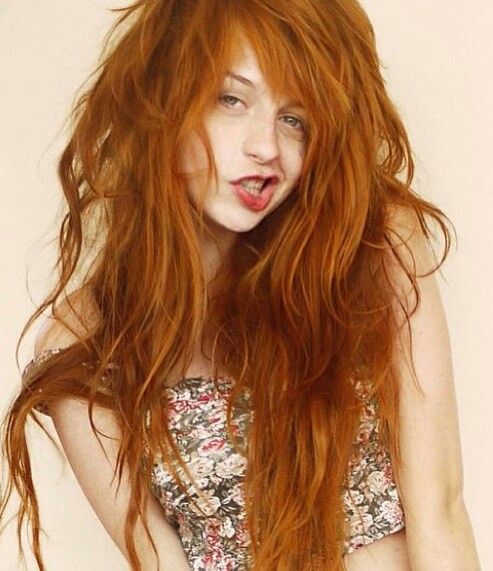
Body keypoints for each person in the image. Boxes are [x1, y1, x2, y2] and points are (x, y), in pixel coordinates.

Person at [0, 1, 481, 569]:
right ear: (163, 101)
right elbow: (160, 561)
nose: (266, 148)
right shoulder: (83, 348)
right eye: (232, 99)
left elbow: (440, 509)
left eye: (295, 119)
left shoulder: (373, 247)